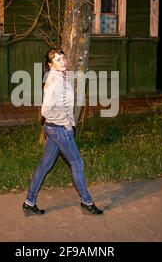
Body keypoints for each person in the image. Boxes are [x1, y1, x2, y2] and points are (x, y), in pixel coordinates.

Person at [22, 49, 103, 216]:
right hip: (59, 129)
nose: (63, 61)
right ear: (50, 65)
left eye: (63, 58)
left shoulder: (59, 76)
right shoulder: (55, 81)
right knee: (77, 163)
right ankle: (86, 202)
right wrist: (66, 123)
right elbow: (46, 111)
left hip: (52, 129)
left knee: (45, 165)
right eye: (58, 60)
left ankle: (29, 202)